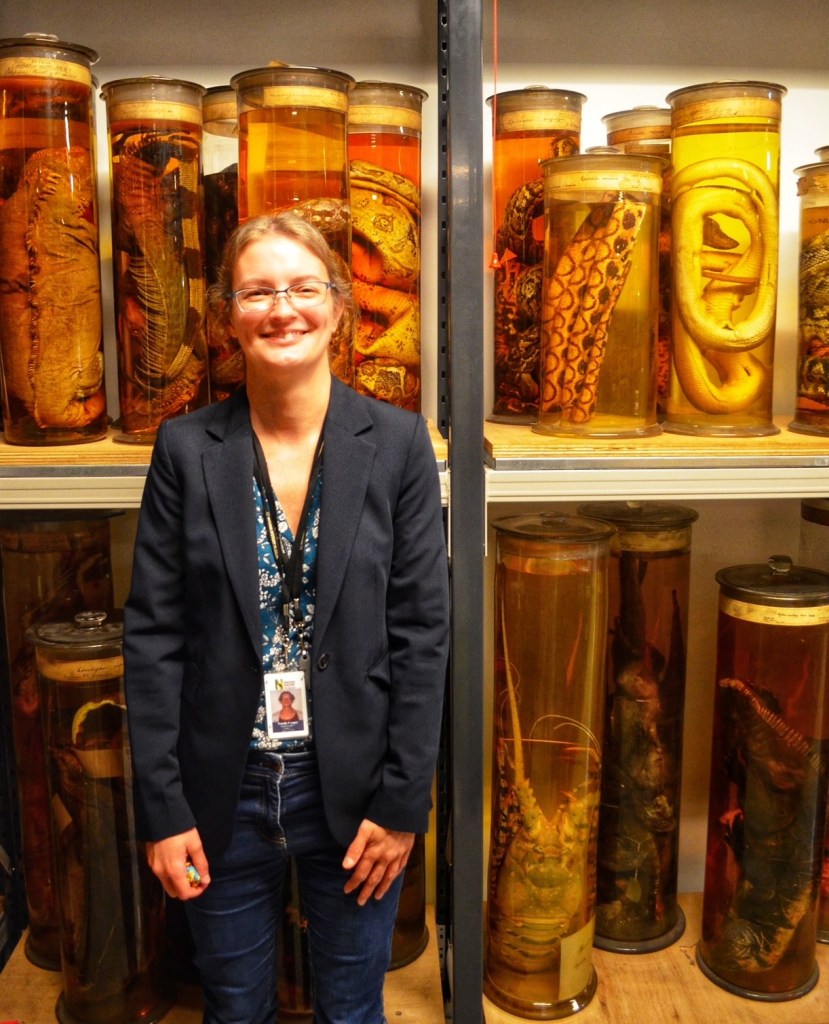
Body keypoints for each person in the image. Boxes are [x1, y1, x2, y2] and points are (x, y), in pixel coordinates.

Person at [123, 211, 450, 1024]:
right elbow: (154, 637)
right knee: (235, 1008)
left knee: (351, 1008)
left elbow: (422, 636)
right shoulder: (186, 450)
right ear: (227, 317)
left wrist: (401, 804)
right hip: (220, 789)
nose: (282, 309)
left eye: (304, 288)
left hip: (355, 788)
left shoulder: (399, 446)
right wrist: (163, 809)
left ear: (338, 306)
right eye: (257, 292)